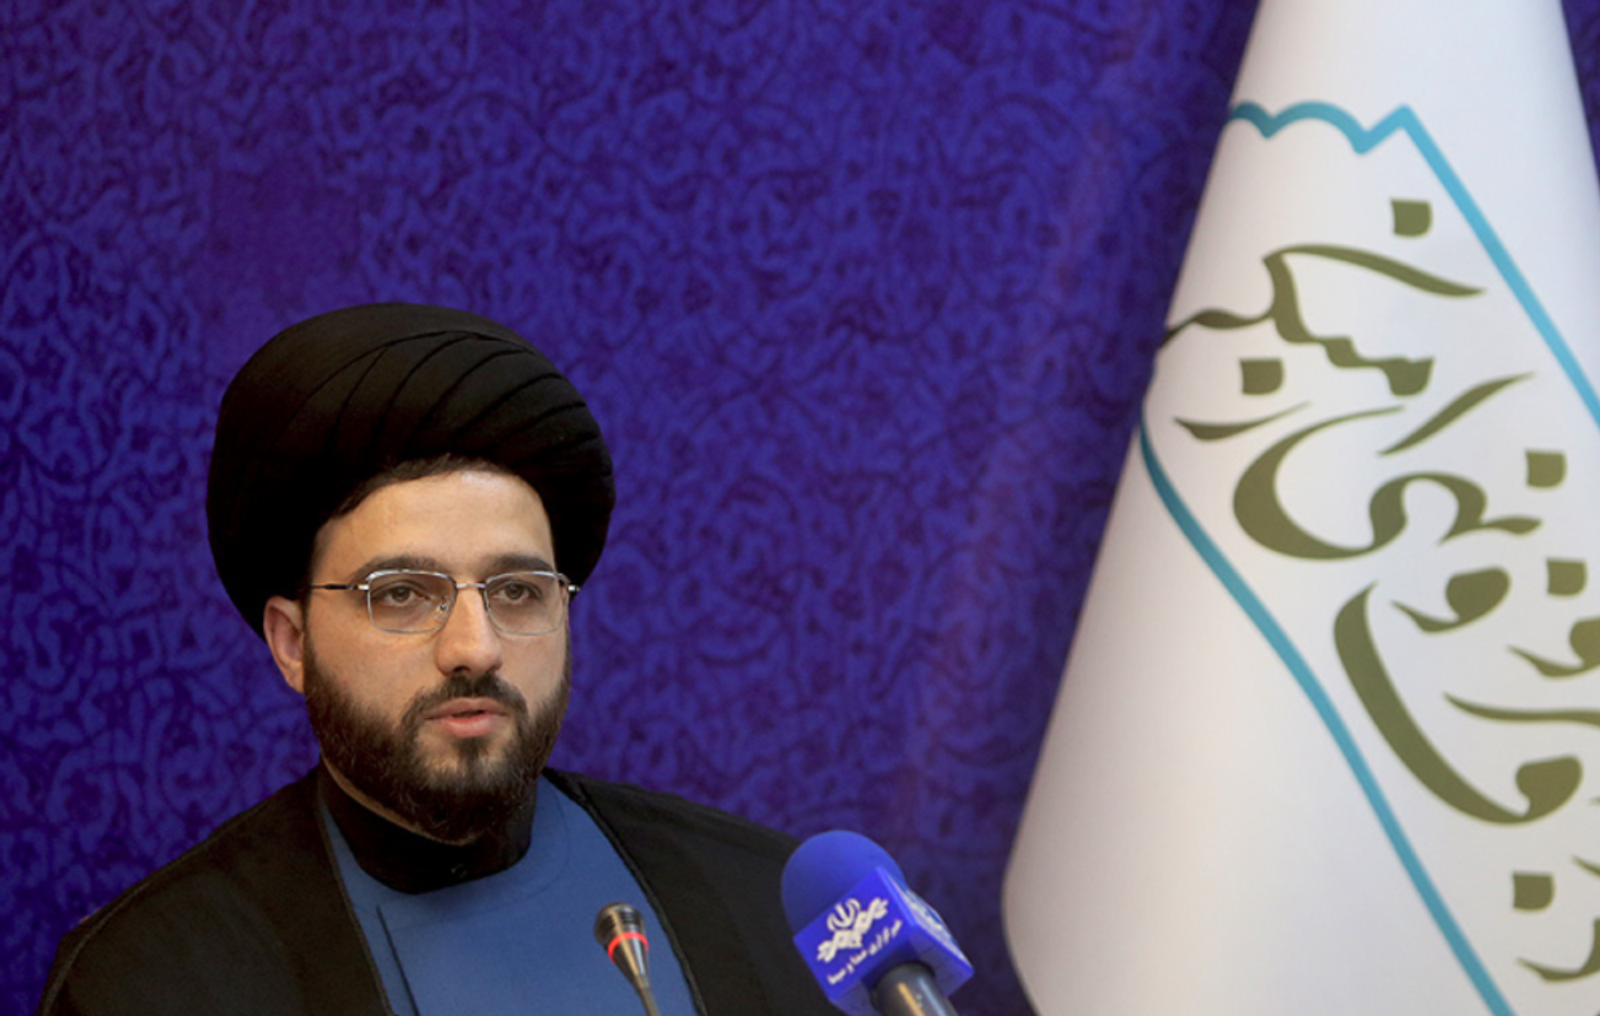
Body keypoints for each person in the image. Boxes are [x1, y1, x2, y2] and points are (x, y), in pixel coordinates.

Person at [38, 303, 832, 1016]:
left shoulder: (768, 905)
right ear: (292, 643)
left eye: (516, 591)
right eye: (401, 595)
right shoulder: (153, 981)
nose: (475, 648)